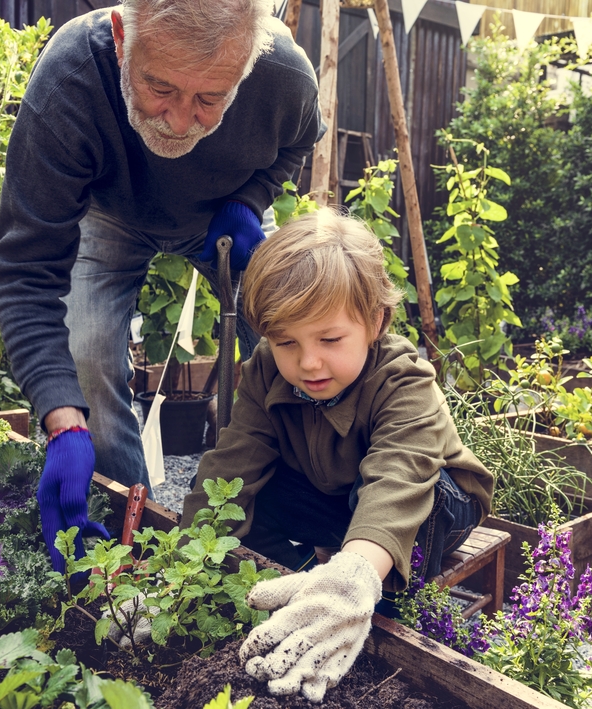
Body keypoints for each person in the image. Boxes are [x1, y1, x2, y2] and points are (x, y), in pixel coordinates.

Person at [0, 0, 324, 572]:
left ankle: (307, 512)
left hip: (223, 215)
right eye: (159, 87)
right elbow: (27, 271)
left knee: (298, 335)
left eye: (209, 100)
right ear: (123, 37)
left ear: (247, 66)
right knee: (87, 364)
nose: (177, 119)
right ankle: (134, 543)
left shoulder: (282, 74)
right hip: (108, 215)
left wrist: (249, 201)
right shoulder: (72, 77)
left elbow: (297, 142)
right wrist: (63, 420)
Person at [179, 208, 494, 702]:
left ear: (374, 322)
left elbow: (398, 477)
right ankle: (304, 582)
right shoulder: (267, 371)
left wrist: (356, 576)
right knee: (243, 497)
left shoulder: (403, 379)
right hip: (333, 493)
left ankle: (377, 603)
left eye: (329, 339)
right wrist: (179, 573)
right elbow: (231, 464)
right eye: (286, 342)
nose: (308, 362)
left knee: (418, 500)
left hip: (431, 500)